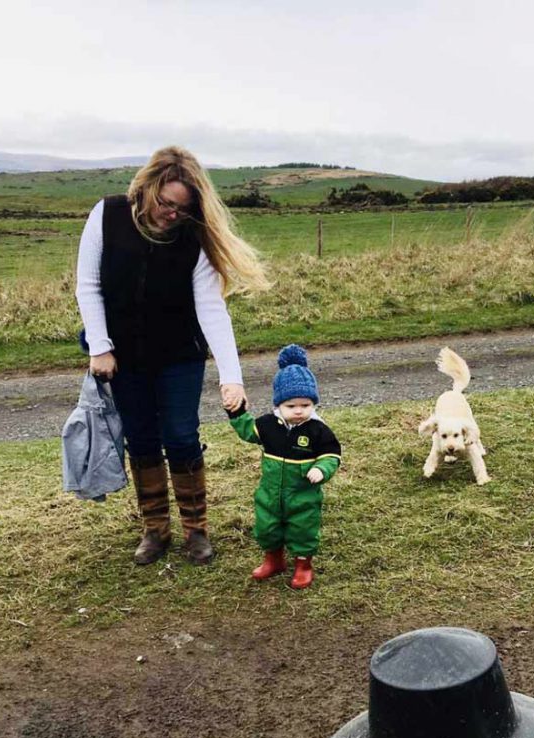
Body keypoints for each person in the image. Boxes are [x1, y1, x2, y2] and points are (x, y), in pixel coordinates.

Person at [75, 145, 268, 565]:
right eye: (165, 203)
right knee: (141, 438)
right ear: (147, 187)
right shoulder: (107, 216)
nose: (171, 214)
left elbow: (211, 309)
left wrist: (231, 377)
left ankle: (196, 531)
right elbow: (88, 286)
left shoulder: (193, 237)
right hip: (123, 358)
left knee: (180, 436)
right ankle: (155, 530)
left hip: (180, 355)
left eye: (181, 209)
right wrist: (101, 347)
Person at [226, 345, 342, 589]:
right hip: (270, 494)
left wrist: (322, 469)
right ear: (279, 405)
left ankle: (303, 565)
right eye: (291, 406)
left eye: (306, 404)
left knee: (303, 529)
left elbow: (332, 455)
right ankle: (273, 559)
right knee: (267, 526)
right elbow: (248, 431)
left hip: (303, 496)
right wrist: (237, 412)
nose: (299, 411)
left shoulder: (318, 430)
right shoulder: (268, 425)